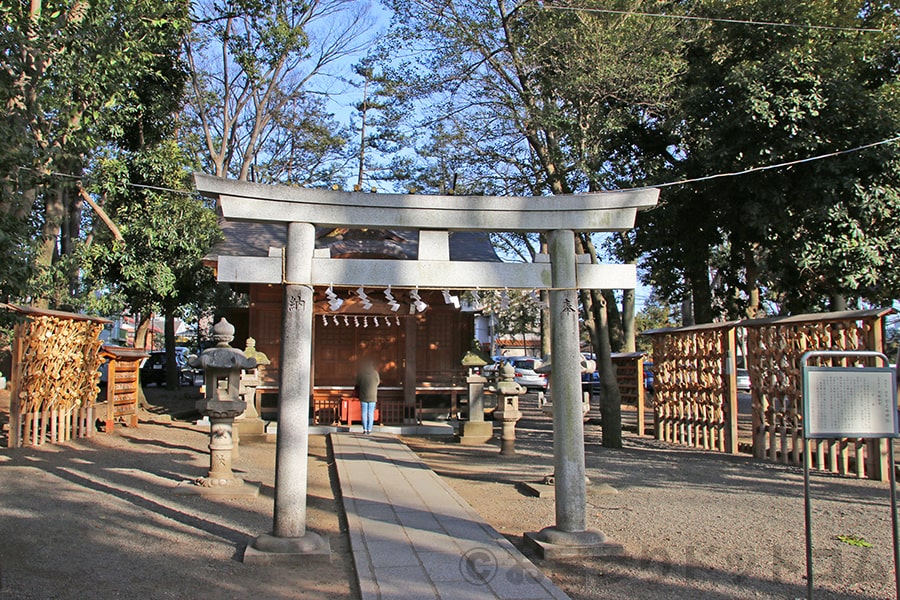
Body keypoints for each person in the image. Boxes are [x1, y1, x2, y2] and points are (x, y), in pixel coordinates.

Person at [356, 358, 380, 434]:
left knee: (364, 412)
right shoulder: (375, 373)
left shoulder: (361, 373)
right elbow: (378, 382)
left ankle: (365, 428)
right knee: (371, 413)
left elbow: (358, 383)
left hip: (363, 395)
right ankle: (369, 429)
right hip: (373, 396)